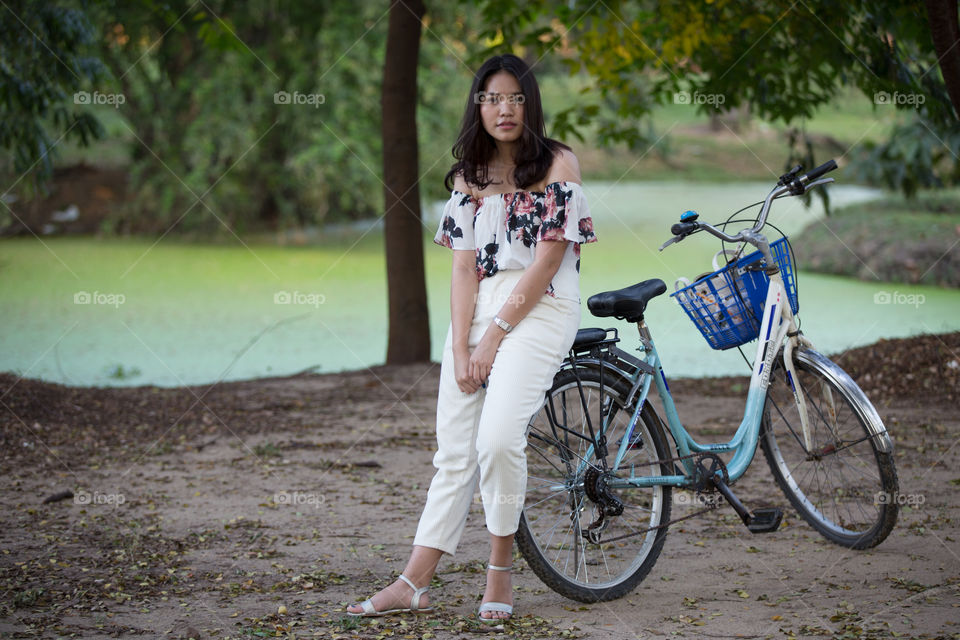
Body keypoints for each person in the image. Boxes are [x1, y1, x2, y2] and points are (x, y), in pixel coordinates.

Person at [347, 53, 596, 625]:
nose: (503, 109)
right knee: (454, 454)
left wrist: (494, 340)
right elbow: (463, 270)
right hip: (478, 311)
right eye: (491, 99)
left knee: (498, 440)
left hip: (541, 307)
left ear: (530, 103)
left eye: (514, 98)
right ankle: (414, 581)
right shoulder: (468, 176)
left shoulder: (559, 164)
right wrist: (461, 346)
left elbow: (547, 262)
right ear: (477, 107)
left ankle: (500, 569)